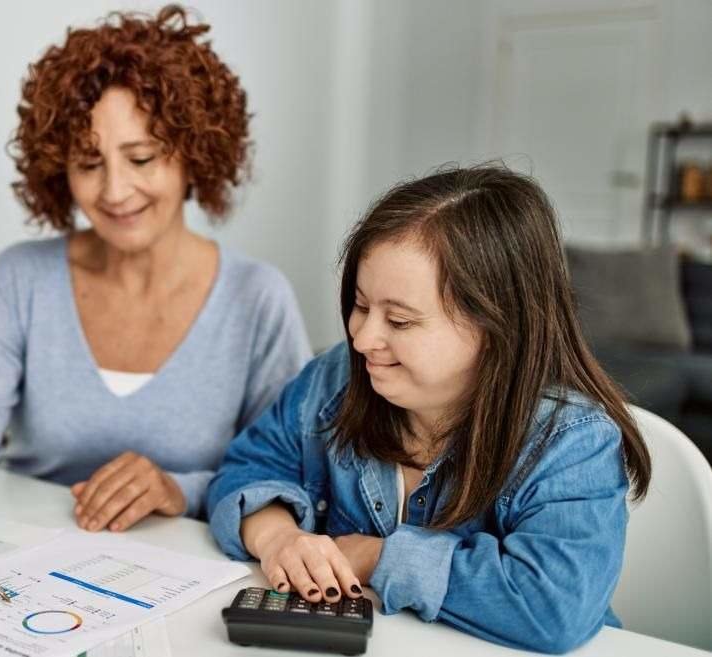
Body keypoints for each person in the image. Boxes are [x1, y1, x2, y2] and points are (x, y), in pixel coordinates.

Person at [0, 5, 312, 595]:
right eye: (89, 163)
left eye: (141, 159)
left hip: (192, 584)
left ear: (194, 153)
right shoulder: (20, 281)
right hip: (22, 571)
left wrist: (176, 490)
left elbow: (289, 473)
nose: (115, 191)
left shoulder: (256, 298)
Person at [206, 165, 652, 653]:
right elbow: (249, 466)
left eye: (399, 320)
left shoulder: (572, 442)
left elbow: (553, 606)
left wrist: (377, 557)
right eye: (360, 305)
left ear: (494, 328)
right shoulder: (334, 378)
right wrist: (277, 538)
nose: (363, 338)